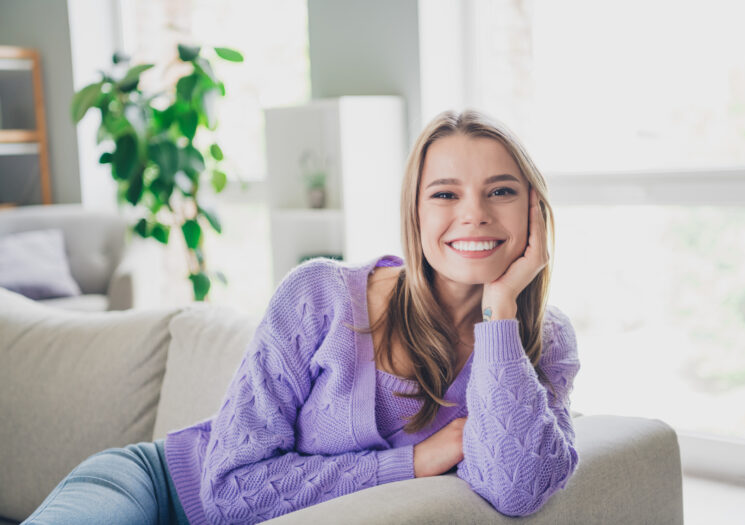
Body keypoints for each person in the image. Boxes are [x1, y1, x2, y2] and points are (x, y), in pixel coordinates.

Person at [24, 109, 580, 525]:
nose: (475, 215)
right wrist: (411, 462)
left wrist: (500, 315)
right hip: (157, 489)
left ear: (533, 207)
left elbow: (519, 487)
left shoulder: (540, 340)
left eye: (500, 191)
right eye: (445, 194)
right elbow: (228, 492)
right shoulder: (322, 296)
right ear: (414, 213)